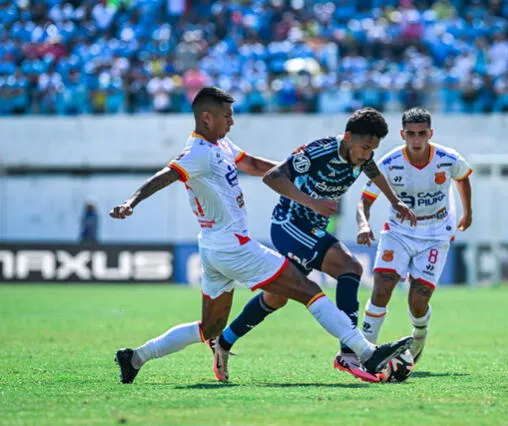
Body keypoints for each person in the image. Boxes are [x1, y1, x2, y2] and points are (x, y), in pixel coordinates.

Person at [109, 87, 412, 384]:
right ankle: (364, 352)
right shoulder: (197, 153)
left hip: (214, 248)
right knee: (308, 290)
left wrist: (295, 170)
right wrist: (131, 202)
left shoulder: (223, 146)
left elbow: (254, 165)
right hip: (234, 247)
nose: (232, 121)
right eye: (227, 116)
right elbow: (166, 175)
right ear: (206, 118)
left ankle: (135, 357)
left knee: (210, 327)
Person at [214, 108, 417, 383]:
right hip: (290, 223)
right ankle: (350, 353)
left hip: (311, 228)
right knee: (350, 268)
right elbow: (272, 176)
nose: (367, 153)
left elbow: (370, 167)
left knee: (277, 296)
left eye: (373, 149)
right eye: (365, 147)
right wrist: (312, 203)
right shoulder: (319, 151)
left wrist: (395, 202)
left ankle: (223, 342)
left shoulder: (361, 155)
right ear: (347, 137)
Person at [356, 108, 473, 364]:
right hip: (398, 231)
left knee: (418, 301)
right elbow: (364, 201)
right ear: (402, 134)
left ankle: (419, 334)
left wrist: (467, 213)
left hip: (435, 232)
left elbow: (463, 178)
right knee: (383, 286)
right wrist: (364, 225)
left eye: (422, 134)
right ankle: (364, 352)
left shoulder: (447, 158)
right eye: (411, 134)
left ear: (430, 133)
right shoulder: (388, 163)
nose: (417, 139)